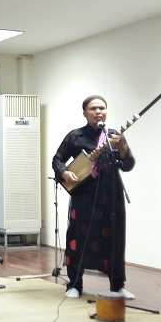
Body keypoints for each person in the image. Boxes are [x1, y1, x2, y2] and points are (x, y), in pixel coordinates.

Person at [52, 95, 136, 300]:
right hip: (84, 197)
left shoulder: (114, 136)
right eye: (93, 108)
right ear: (84, 113)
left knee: (115, 239)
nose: (98, 112)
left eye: (102, 108)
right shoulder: (75, 136)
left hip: (111, 196)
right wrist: (65, 172)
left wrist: (122, 148)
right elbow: (57, 160)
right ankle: (74, 284)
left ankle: (117, 285)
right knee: (78, 239)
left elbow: (128, 165)